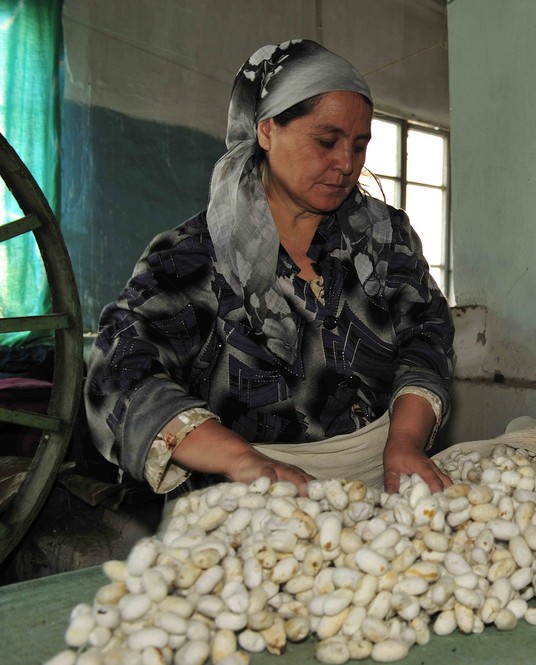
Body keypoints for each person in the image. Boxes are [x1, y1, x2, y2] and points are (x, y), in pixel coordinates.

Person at [85, 39, 454, 497]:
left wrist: (404, 441)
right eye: (326, 140)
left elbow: (427, 335)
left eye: (360, 146)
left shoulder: (385, 238)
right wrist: (241, 460)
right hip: (256, 502)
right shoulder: (195, 257)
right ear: (265, 130)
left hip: (385, 483)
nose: (347, 164)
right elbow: (119, 367)